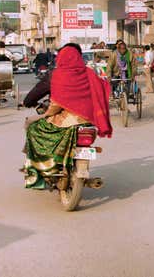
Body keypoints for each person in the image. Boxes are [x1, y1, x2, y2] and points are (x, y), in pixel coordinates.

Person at [22, 43, 112, 189]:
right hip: (87, 121)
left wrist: (40, 113)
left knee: (33, 128)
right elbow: (102, 91)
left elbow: (54, 105)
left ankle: (41, 170)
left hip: (64, 121)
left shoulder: (57, 75)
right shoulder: (89, 73)